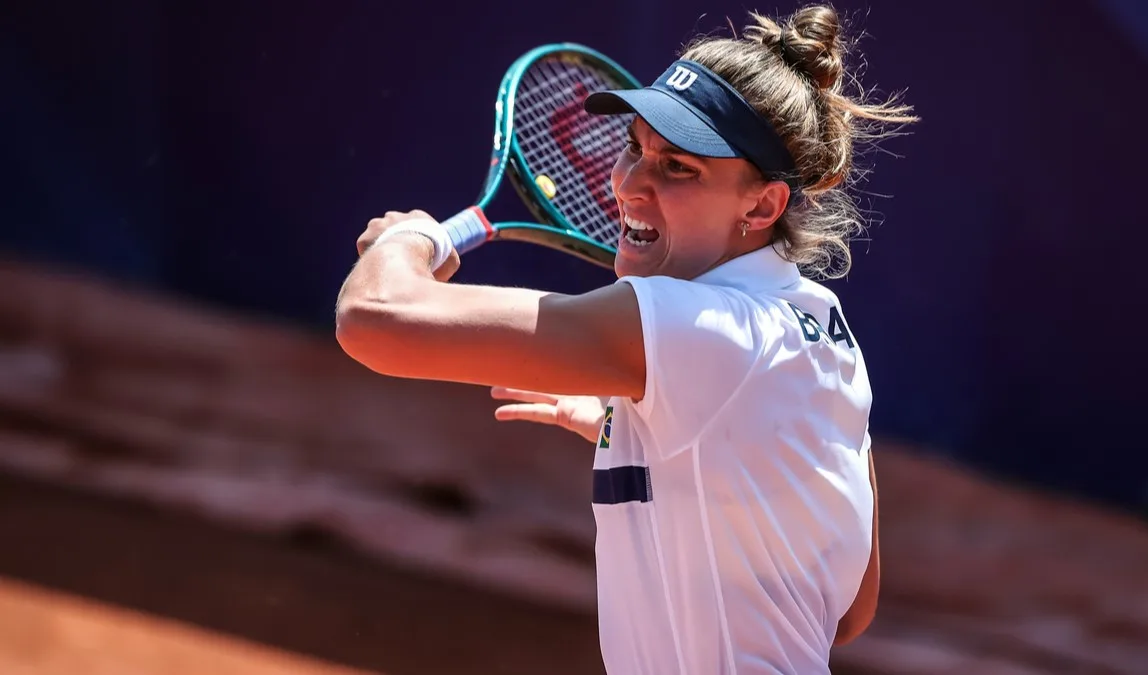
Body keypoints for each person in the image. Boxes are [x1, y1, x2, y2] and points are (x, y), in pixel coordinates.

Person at [334, 4, 916, 673]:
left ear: (762, 205)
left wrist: (411, 237)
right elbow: (847, 609)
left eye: (678, 168)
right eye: (634, 148)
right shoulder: (827, 333)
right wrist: (681, 451)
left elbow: (374, 317)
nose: (631, 184)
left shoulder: (686, 325)